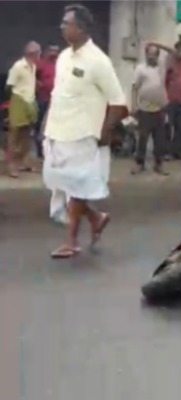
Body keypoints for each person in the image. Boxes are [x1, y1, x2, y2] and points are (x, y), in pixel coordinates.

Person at [42, 4, 127, 258]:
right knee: (62, 184)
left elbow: (118, 102)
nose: (61, 26)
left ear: (81, 28)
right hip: (57, 132)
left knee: (77, 188)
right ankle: (96, 217)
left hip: (82, 135)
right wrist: (46, 124)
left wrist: (103, 133)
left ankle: (71, 241)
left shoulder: (98, 61)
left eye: (66, 23)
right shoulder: (64, 57)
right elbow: (58, 95)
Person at [131, 43, 168, 175]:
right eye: (149, 53)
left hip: (159, 108)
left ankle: (159, 165)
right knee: (143, 139)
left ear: (158, 55)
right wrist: (133, 105)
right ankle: (139, 164)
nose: (152, 56)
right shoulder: (140, 68)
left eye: (155, 54)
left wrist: (157, 43)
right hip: (145, 109)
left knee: (160, 140)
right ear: (146, 54)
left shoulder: (162, 67)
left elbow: (174, 52)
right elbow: (135, 88)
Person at [6, 41, 40, 178]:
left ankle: (22, 162)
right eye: (38, 52)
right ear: (31, 53)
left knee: (27, 134)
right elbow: (9, 86)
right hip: (19, 100)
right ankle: (12, 166)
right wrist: (13, 103)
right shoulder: (18, 66)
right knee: (15, 134)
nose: (39, 55)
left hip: (30, 101)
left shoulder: (33, 66)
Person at [156, 41, 181, 160]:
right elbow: (165, 81)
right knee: (168, 126)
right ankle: (167, 152)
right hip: (171, 99)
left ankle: (178, 151)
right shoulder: (170, 63)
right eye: (180, 51)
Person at [34, 44, 60, 160]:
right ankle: (40, 151)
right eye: (51, 51)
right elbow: (32, 75)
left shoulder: (61, 64)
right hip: (43, 99)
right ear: (47, 52)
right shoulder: (41, 64)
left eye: (56, 51)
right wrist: (38, 84)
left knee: (54, 125)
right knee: (39, 125)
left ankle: (51, 151)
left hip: (56, 100)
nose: (53, 53)